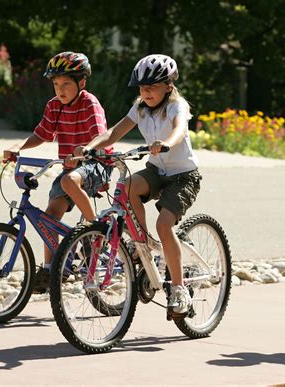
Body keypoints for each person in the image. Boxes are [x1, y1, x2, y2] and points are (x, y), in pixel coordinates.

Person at [74, 54, 201, 317]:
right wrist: (89, 147)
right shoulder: (140, 107)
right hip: (157, 171)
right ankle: (141, 244)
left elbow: (178, 130)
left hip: (183, 176)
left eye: (152, 87)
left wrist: (166, 142)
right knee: (128, 185)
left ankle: (178, 289)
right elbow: (114, 132)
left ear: (168, 86)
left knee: (164, 224)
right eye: (142, 88)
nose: (146, 92)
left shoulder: (177, 106)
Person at [3, 51, 113, 293]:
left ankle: (95, 232)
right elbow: (42, 134)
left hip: (97, 164)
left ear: (81, 83)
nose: (59, 90)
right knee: (50, 217)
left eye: (65, 84)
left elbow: (100, 135)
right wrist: (17, 147)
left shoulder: (89, 103)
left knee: (70, 181)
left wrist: (84, 151)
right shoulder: (55, 106)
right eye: (55, 84)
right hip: (70, 168)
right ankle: (51, 268)